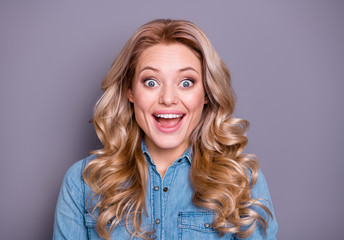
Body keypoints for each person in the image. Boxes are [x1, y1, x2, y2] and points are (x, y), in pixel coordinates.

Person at [53, 19, 278, 239]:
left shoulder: (241, 180)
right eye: (151, 82)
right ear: (130, 91)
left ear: (207, 93)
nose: (168, 99)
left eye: (186, 82)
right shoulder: (83, 183)